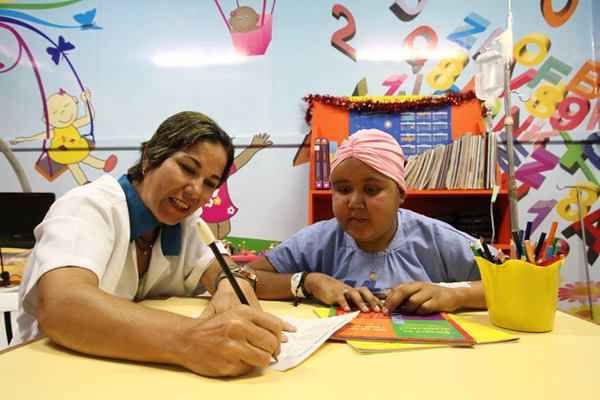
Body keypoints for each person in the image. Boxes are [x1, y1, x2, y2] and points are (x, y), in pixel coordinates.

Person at [16, 111, 294, 378]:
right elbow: (63, 306)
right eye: (187, 168)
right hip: (50, 370)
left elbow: (222, 266)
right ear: (149, 156)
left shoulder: (185, 224)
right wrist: (191, 340)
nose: (196, 191)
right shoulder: (88, 206)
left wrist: (233, 283)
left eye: (210, 183)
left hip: (124, 372)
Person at [251, 129, 487, 315]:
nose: (354, 202)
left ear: (401, 194)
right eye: (343, 189)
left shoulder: (436, 239)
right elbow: (246, 277)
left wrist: (456, 294)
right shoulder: (317, 241)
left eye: (372, 190)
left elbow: (517, 286)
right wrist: (309, 282)